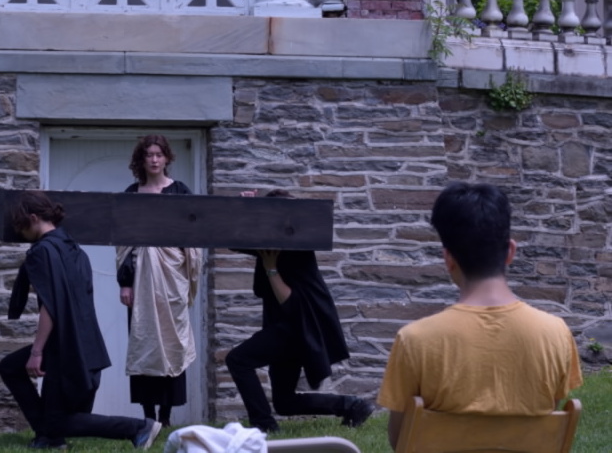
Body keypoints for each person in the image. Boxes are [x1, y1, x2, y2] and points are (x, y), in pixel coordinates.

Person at [377, 182, 583, 450]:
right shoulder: (556, 333)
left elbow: (400, 440)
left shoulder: (414, 340)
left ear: (448, 259)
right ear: (510, 251)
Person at [0, 191, 163, 450]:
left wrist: (37, 351)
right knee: (11, 367)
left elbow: (51, 306)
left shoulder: (43, 251)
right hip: (86, 349)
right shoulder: (73, 248)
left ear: (33, 217)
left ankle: (138, 427)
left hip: (67, 352)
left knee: (60, 422)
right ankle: (48, 440)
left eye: (19, 224)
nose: (18, 231)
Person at [225, 190, 373, 434]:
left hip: (298, 327)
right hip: (288, 326)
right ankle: (352, 406)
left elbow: (292, 303)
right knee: (284, 402)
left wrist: (271, 269)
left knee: (238, 360)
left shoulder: (296, 246)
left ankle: (264, 426)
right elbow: (234, 240)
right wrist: (245, 207)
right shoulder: (270, 242)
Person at [117, 135, 202, 427]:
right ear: (140, 160)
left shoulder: (180, 191)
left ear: (166, 158)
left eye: (158, 154)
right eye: (148, 155)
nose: (154, 160)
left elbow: (191, 235)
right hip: (140, 280)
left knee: (171, 340)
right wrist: (125, 283)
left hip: (172, 280)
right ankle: (148, 417)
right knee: (144, 341)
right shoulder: (132, 194)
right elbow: (124, 245)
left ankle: (166, 417)